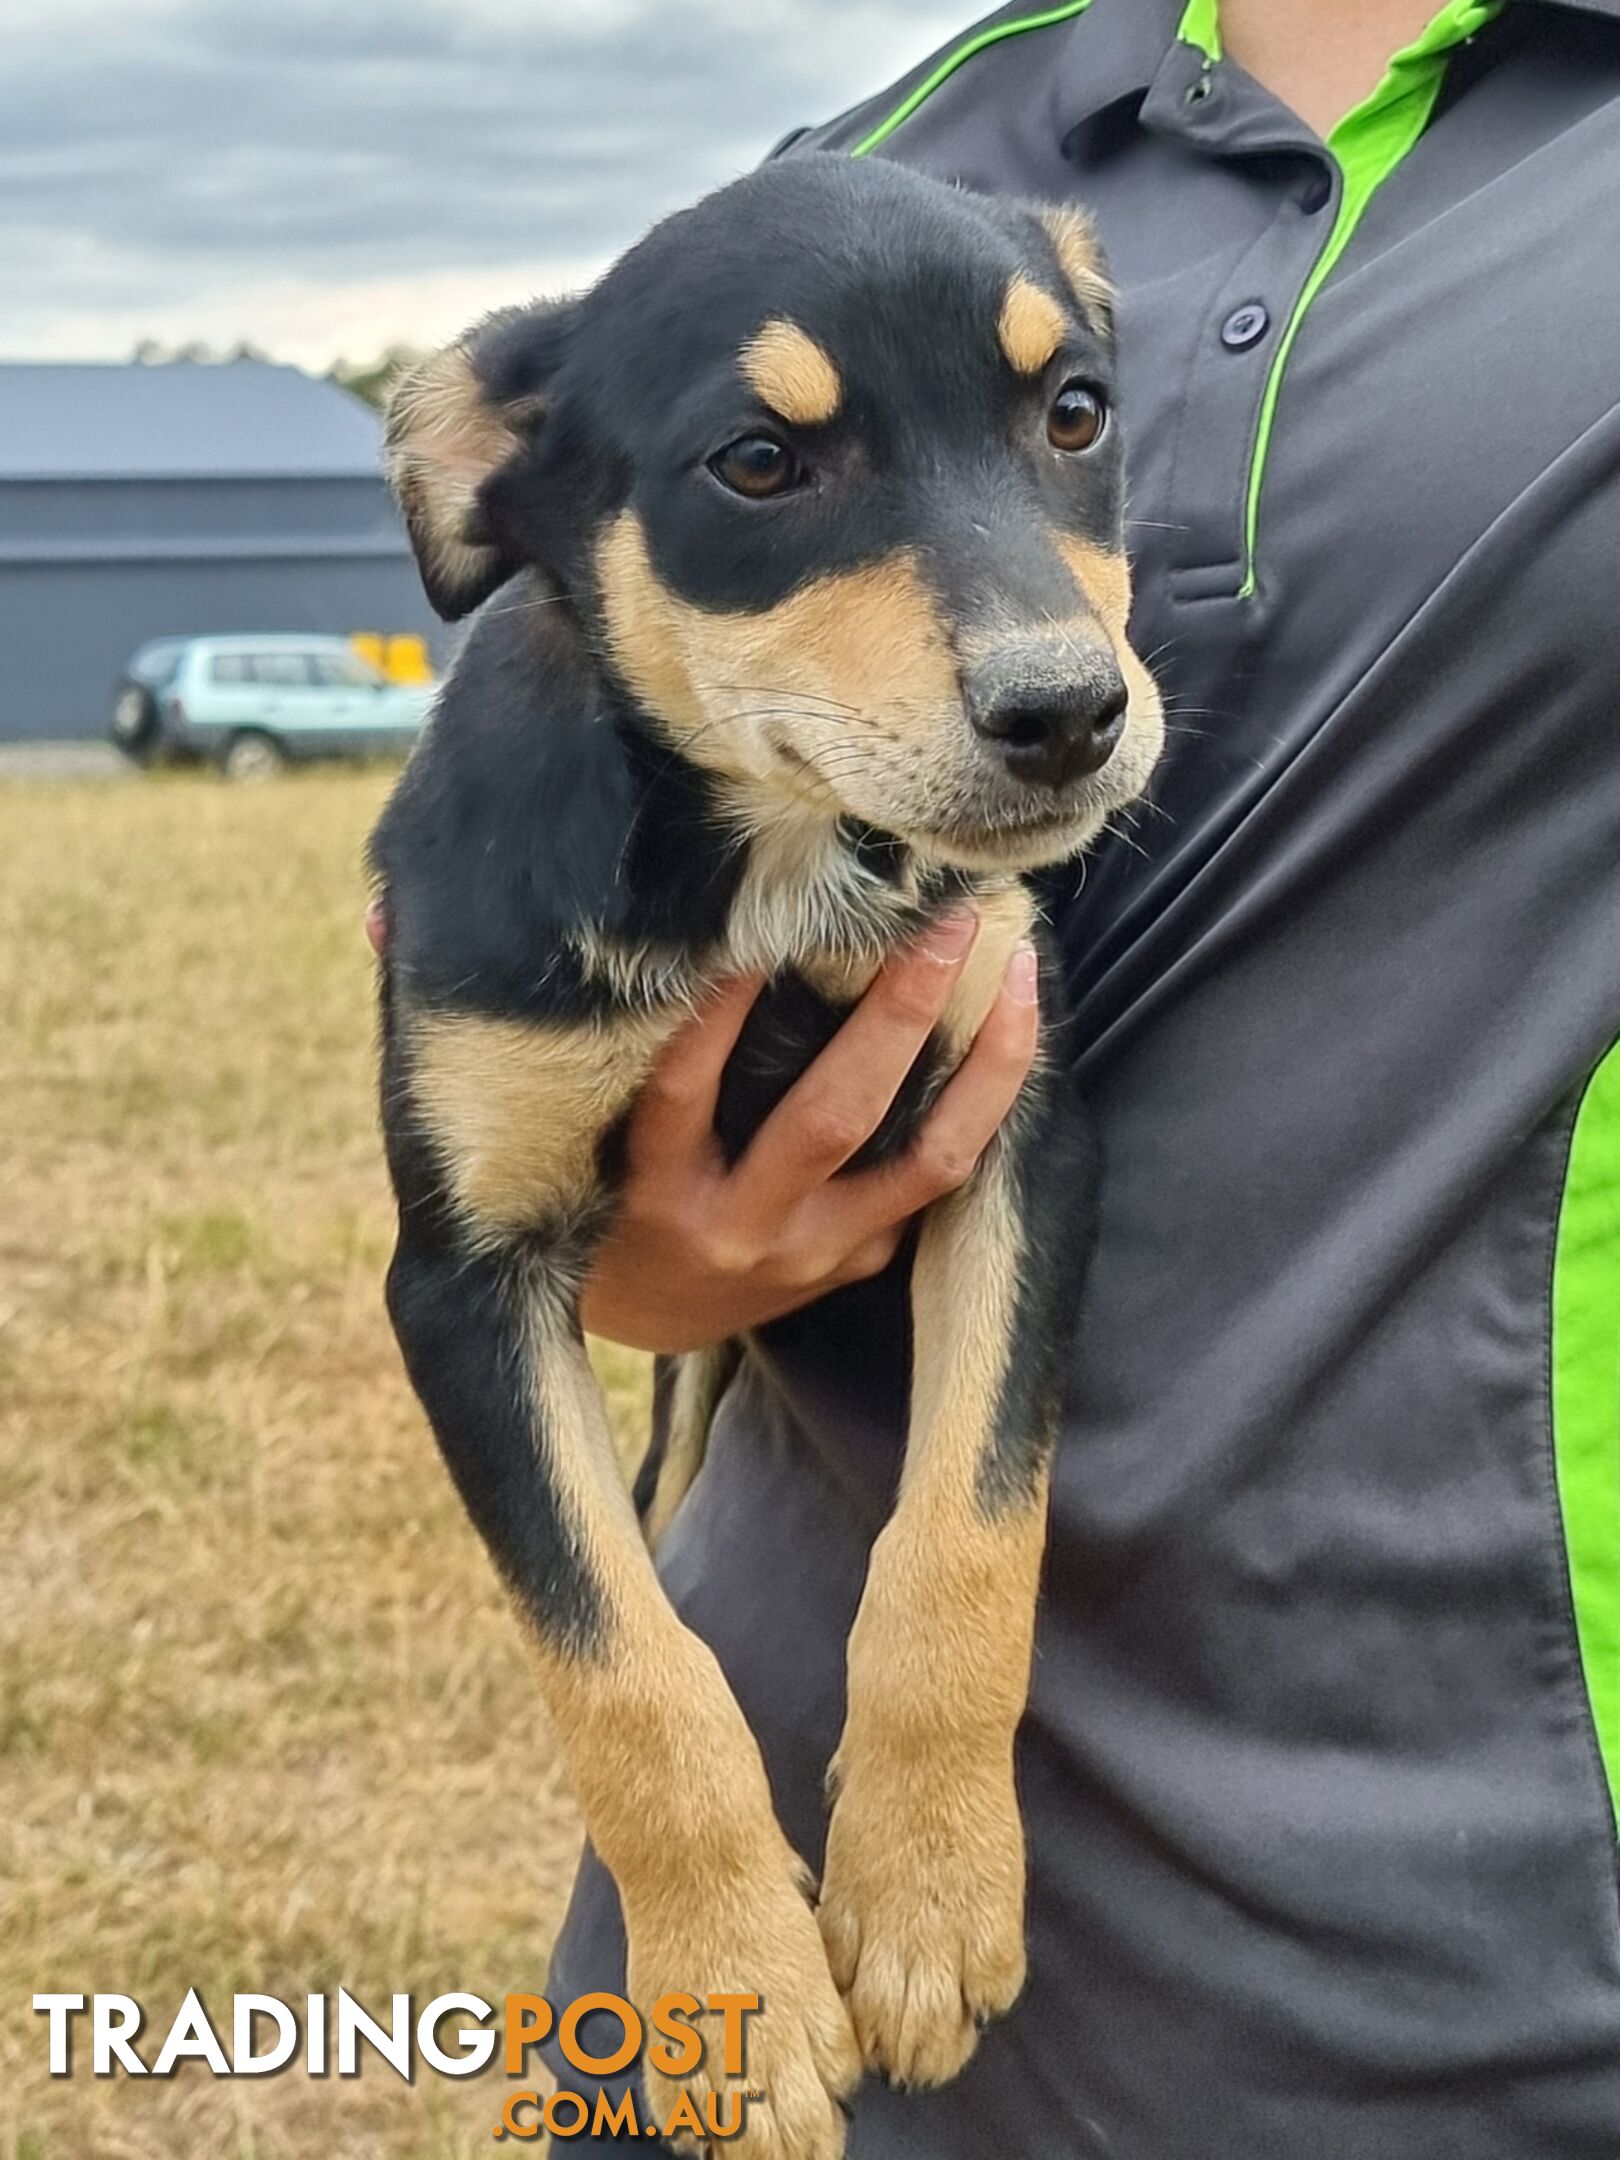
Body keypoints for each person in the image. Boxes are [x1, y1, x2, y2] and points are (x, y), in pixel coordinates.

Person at [369, 1, 1620, 2150]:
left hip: (1495, 1808)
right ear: (490, 481)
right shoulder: (913, 131)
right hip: (770, 1831)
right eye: (773, 465)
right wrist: (636, 1264)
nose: (1042, 652)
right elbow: (502, 1241)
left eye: (1064, 414)